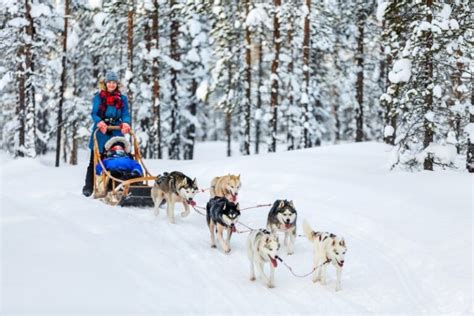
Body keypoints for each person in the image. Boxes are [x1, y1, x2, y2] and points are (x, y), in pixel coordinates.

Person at [82, 71, 131, 197]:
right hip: (101, 131)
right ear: (105, 83)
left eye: (114, 82)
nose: (111, 85)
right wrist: (100, 122)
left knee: (119, 157)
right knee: (95, 160)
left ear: (117, 84)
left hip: (116, 130)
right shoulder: (99, 97)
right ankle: (89, 186)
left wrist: (126, 123)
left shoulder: (122, 98)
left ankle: (119, 183)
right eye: (109, 82)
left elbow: (125, 113)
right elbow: (94, 113)